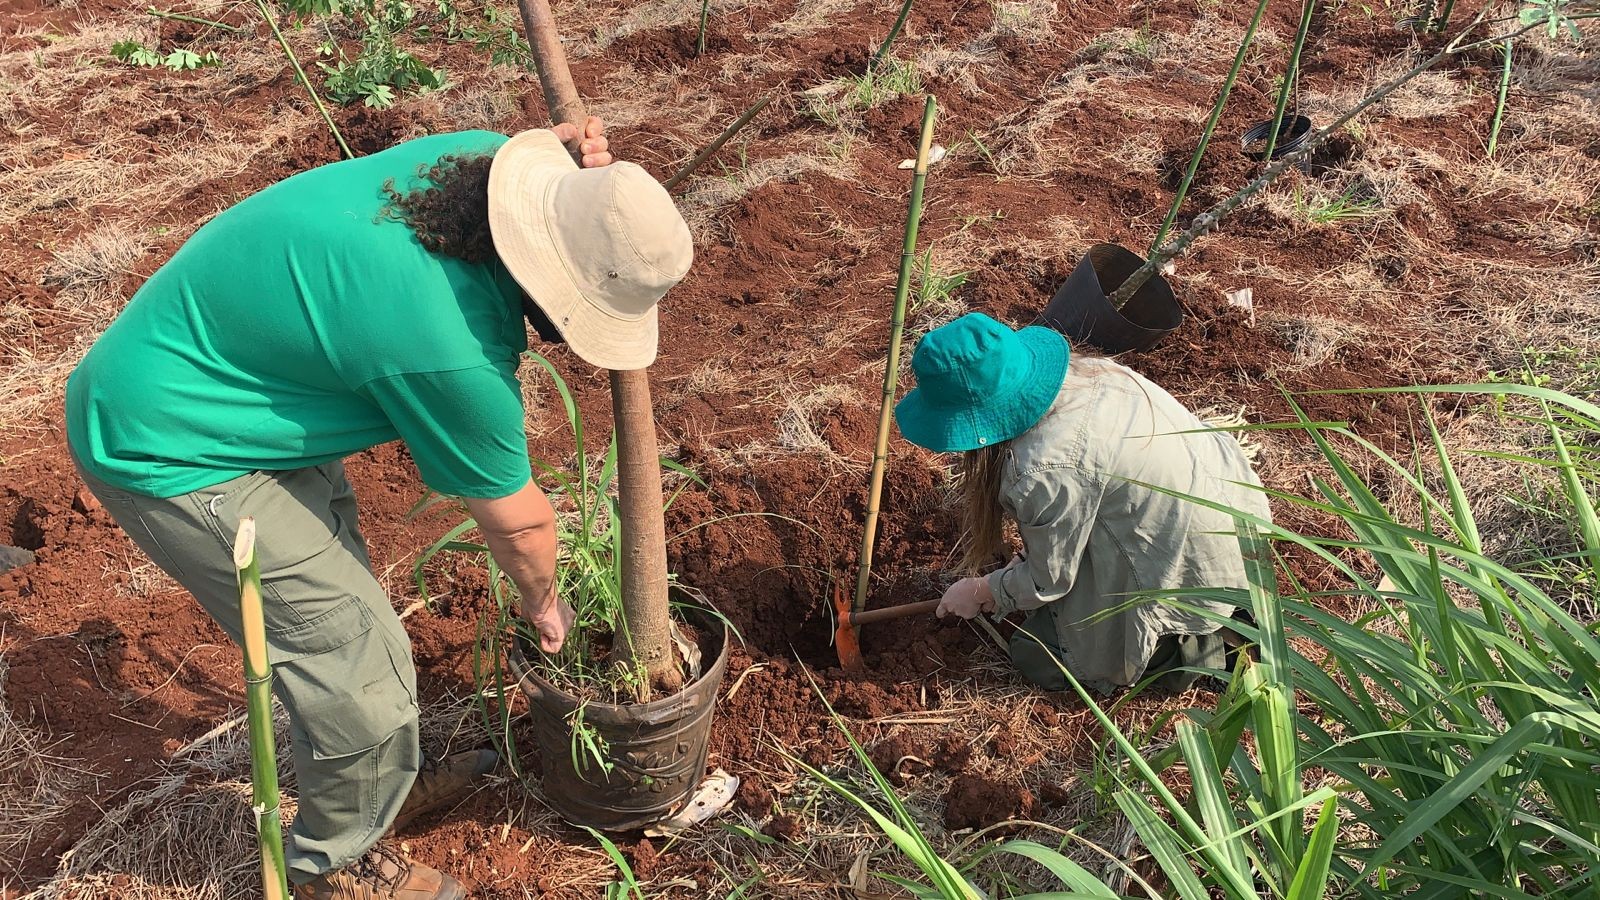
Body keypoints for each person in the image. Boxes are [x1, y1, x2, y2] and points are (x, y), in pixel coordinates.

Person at [65, 118, 694, 899]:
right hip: (167, 443)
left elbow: (543, 162)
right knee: (353, 654)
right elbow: (523, 522)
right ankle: (336, 865)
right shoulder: (451, 347)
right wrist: (546, 604)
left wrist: (585, 188)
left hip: (243, 382)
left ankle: (378, 779)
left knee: (342, 617)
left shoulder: (476, 160)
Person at [893, 313, 1269, 695]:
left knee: (1039, 654)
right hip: (1236, 521)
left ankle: (1202, 650)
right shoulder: (1094, 375)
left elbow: (1049, 582)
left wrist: (981, 592)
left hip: (1198, 571)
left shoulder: (1042, 467)